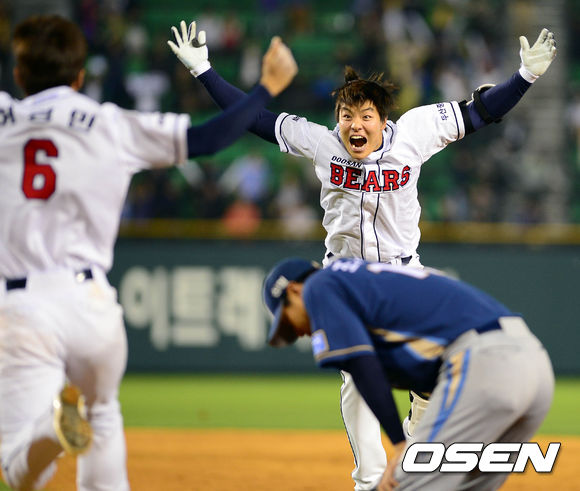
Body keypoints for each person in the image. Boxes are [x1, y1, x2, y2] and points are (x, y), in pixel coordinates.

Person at [169, 21, 556, 490]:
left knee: (433, 381)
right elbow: (255, 119)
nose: (354, 125)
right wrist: (205, 72)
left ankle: (416, 446)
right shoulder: (323, 142)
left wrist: (524, 78)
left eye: (365, 115)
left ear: (383, 120)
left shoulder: (414, 132)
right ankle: (371, 481)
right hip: (346, 280)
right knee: (357, 380)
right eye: (346, 115)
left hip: (402, 277)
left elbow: (479, 112)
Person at [0, 14, 297, 491]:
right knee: (103, 412)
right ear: (79, 75)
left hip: (22, 305)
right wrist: (267, 87)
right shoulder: (109, 123)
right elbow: (210, 138)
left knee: (20, 473)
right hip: (91, 304)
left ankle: (50, 433)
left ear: (17, 74)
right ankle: (67, 429)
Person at [262, 256, 554, 491]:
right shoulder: (368, 285)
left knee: (401, 483)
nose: (297, 333)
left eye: (287, 321)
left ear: (294, 290)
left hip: (485, 361)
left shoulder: (320, 284)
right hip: (535, 365)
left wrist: (402, 445)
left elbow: (361, 365)